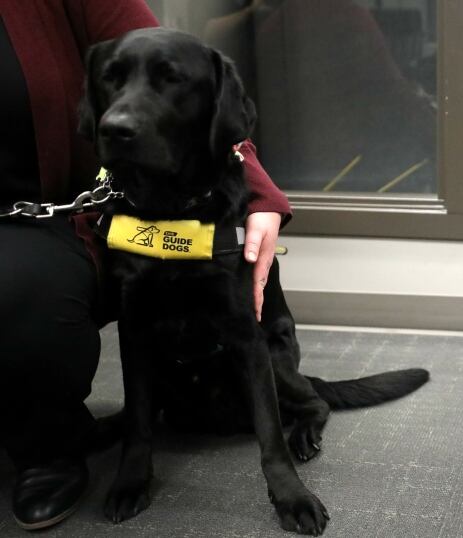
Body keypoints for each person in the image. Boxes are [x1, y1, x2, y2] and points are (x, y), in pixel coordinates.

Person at [0, 0, 290, 530]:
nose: (118, 113)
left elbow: (190, 72)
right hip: (127, 224)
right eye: (114, 86)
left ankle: (44, 448)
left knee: (22, 290)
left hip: (48, 216)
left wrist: (260, 195)